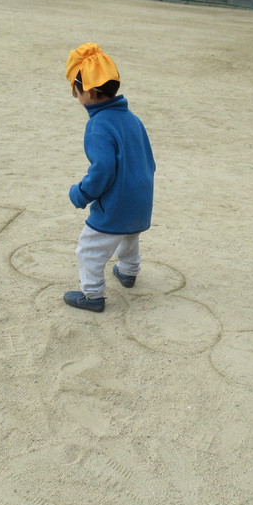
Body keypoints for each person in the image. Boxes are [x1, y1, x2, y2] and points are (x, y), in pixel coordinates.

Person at [62, 43, 156, 313]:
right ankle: (128, 272)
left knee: (89, 249)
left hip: (116, 204)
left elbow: (102, 170)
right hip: (141, 199)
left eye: (76, 91)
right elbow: (149, 159)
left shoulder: (98, 126)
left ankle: (92, 296)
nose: (76, 96)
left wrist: (81, 193)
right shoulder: (132, 118)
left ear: (89, 92)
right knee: (129, 237)